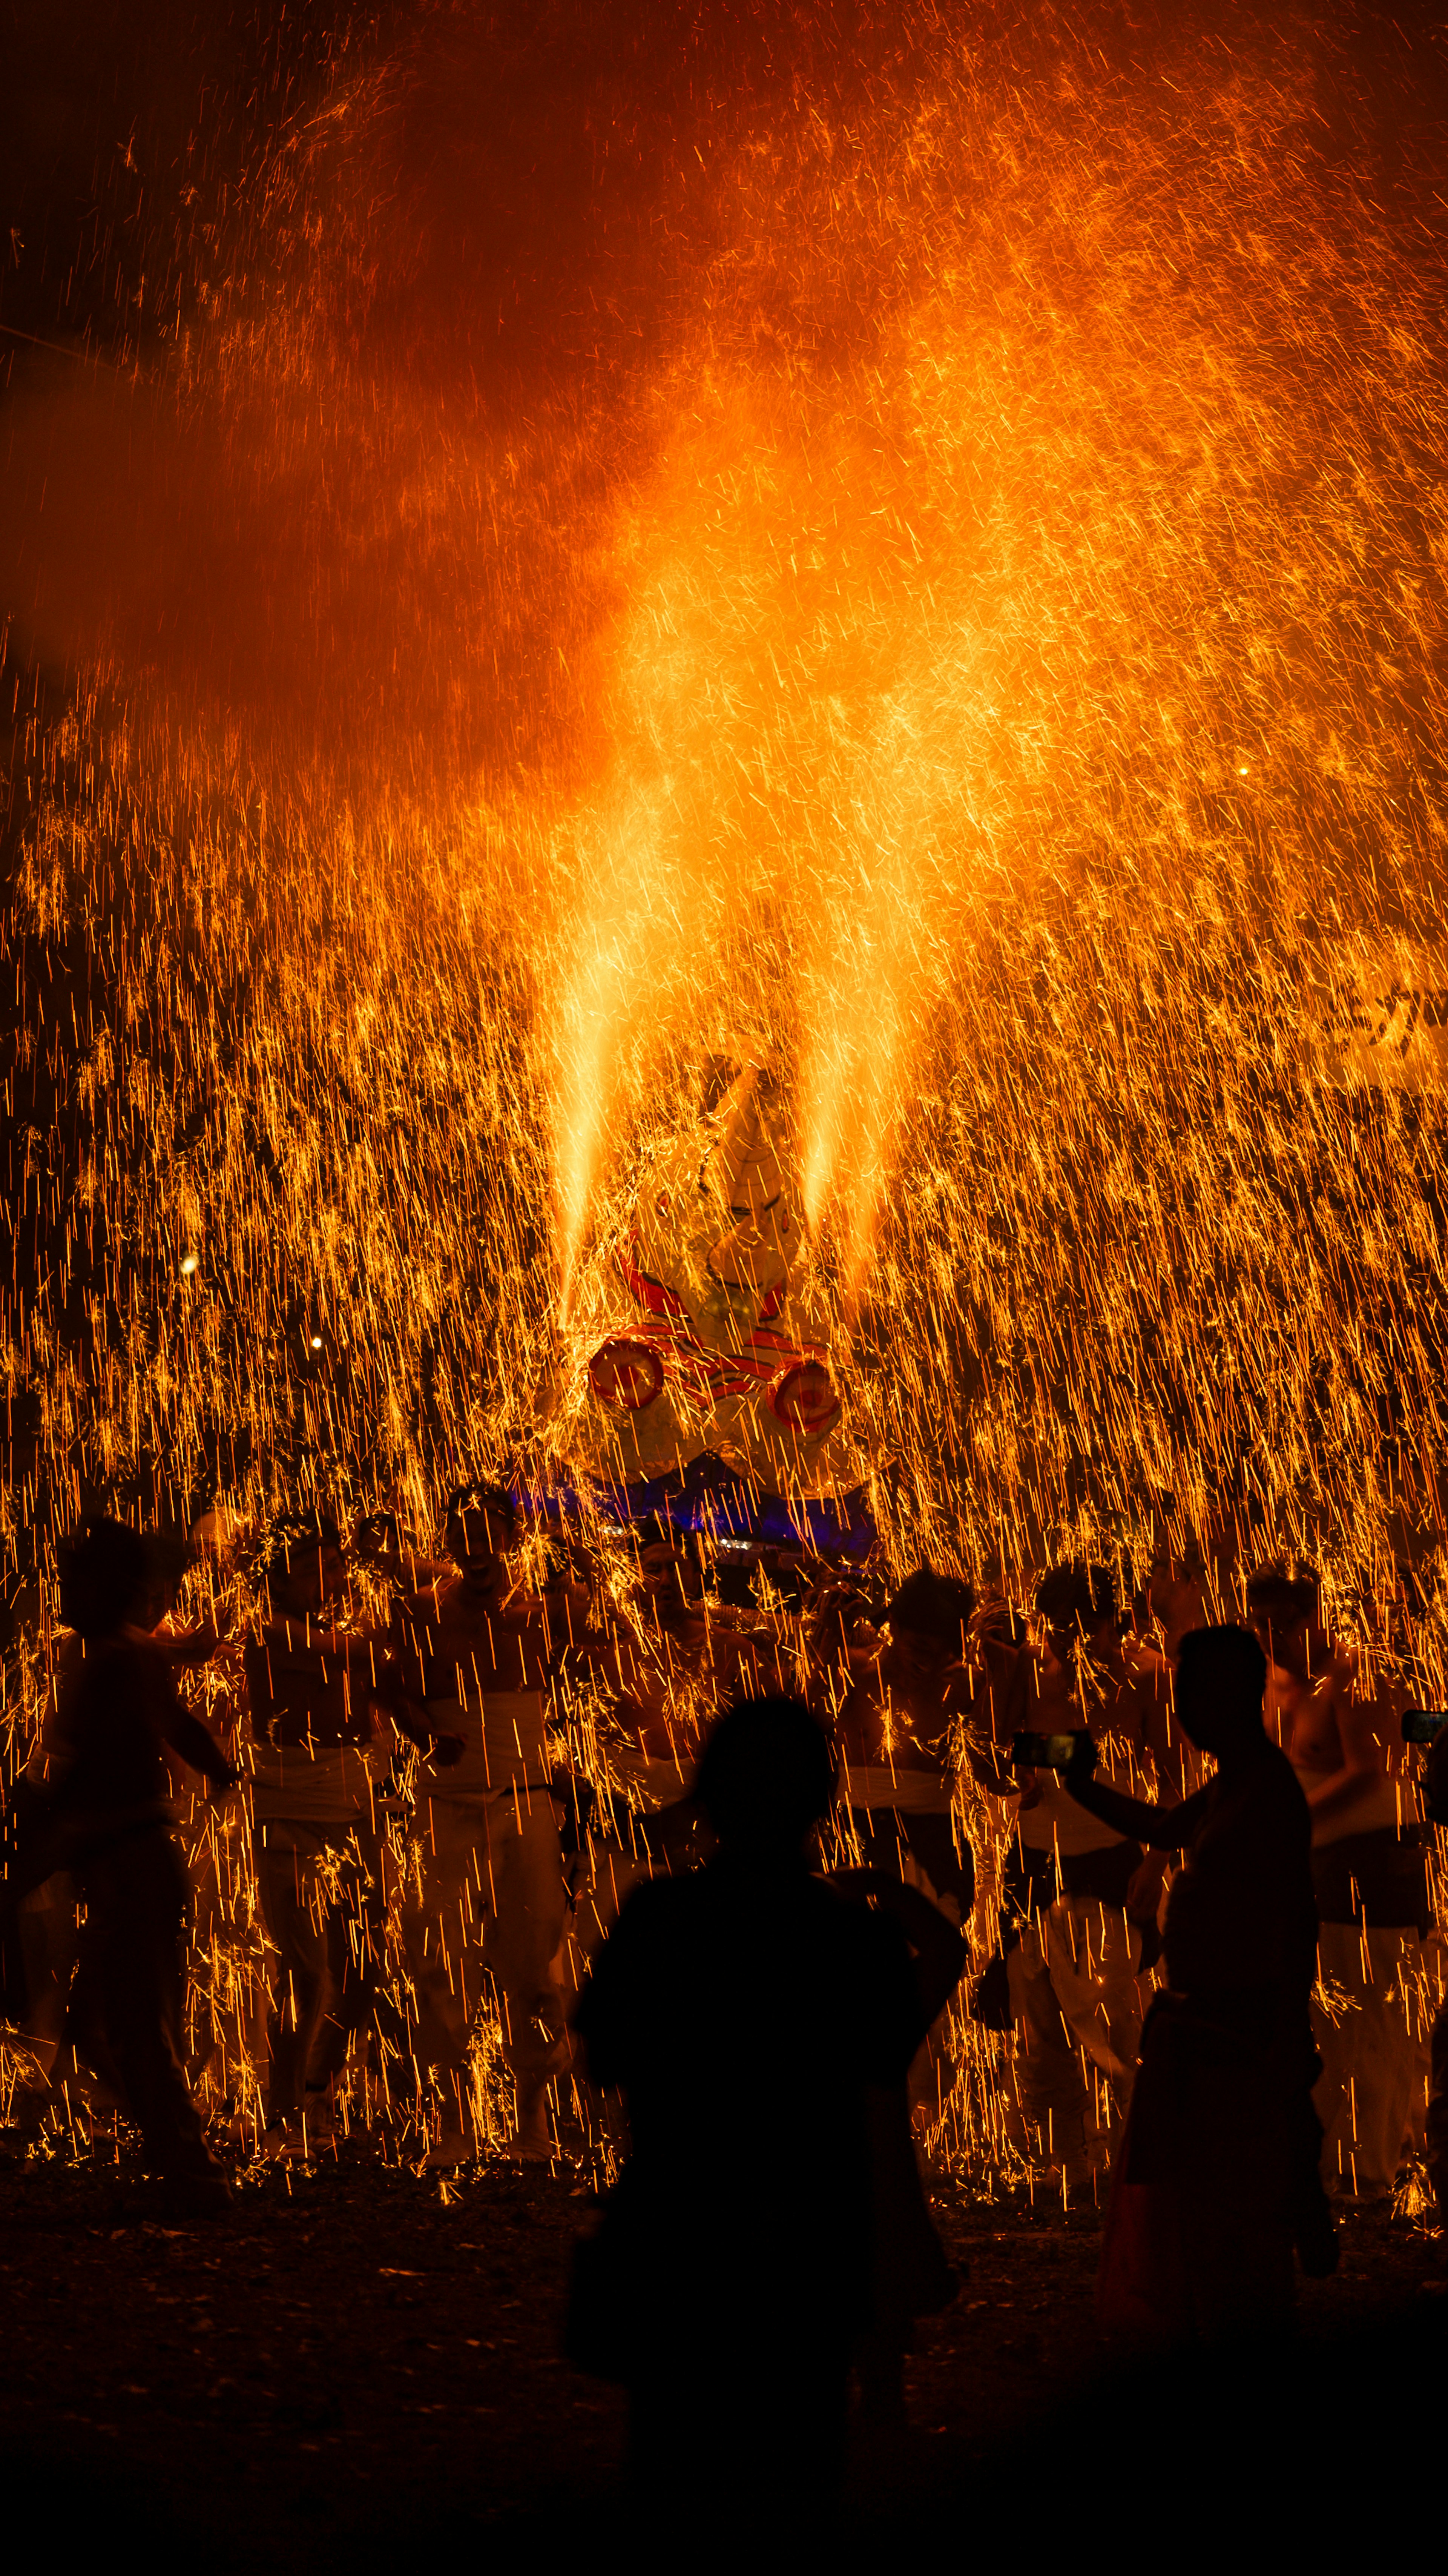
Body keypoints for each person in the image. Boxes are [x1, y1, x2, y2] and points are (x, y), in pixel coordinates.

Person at [569, 1693, 936, 2531]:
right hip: (808, 2252)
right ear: (823, 1803)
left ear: (708, 1798)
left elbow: (602, 2059)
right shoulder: (856, 1941)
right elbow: (886, 2062)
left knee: (673, 2470)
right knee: (798, 2466)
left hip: (680, 2240)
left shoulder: (658, 1918)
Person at [1059, 1622, 1336, 2338]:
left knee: (1235, 2215)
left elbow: (1295, 1917)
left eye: (1188, 1695)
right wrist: (1081, 1786)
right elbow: (1166, 1826)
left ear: (1226, 1698)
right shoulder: (1236, 1781)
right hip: (1213, 2024)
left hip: (1241, 2030)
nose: (1178, 1713)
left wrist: (1284, 2030)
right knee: (1207, 2215)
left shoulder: (1266, 1791)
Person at [33, 1517, 238, 2212]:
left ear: (111, 1590)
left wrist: (38, 1842)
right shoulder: (130, 1655)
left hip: (132, 1866)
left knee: (120, 2028)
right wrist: (221, 1769)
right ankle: (183, 2161)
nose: (64, 1593)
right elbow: (178, 1724)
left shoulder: (114, 1663)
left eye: (75, 1581)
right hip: (137, 1865)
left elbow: (96, 1772)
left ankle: (194, 2172)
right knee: (109, 2026)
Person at [382, 1482, 575, 2163]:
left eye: (487, 1528)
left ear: (511, 1537)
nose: (475, 1543)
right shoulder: (418, 1611)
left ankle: (531, 2120)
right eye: (462, 1530)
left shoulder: (543, 1609)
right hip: (444, 1804)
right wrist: (426, 1730)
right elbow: (393, 1686)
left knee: (532, 1964)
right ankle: (455, 2121)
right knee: (439, 1963)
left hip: (525, 1799)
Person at [1246, 1563, 1431, 2198]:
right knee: (1322, 2019)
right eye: (1259, 1623)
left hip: (1373, 1862)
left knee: (1376, 2020)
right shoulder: (1274, 1683)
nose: (1270, 1636)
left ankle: (1374, 2169)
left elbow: (1365, 1771)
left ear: (1312, 1618)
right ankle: (1329, 2163)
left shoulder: (1353, 1678)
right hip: (1311, 1864)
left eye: (1282, 1623)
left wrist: (1288, 1818)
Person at [991, 1564, 1175, 2185]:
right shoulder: (1029, 1664)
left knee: (1121, 2013)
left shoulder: (1147, 1672)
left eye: (1088, 1629)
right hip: (1037, 1854)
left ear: (1114, 1622)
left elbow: (1177, 1776)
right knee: (1039, 2010)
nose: (1074, 1642)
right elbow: (1003, 1749)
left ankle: (1130, 2153)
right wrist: (1023, 1772)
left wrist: (1157, 1858)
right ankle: (1060, 2156)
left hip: (1116, 1851)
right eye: (1061, 1630)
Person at [242, 1512, 405, 2152]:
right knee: (304, 1971)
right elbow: (367, 1652)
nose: (332, 1577)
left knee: (364, 1963)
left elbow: (381, 1671)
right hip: (288, 1807)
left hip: (350, 1802)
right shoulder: (268, 1630)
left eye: (334, 1565)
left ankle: (317, 2088)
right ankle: (281, 2109)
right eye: (319, 1565)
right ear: (280, 1578)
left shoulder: (336, 1629)